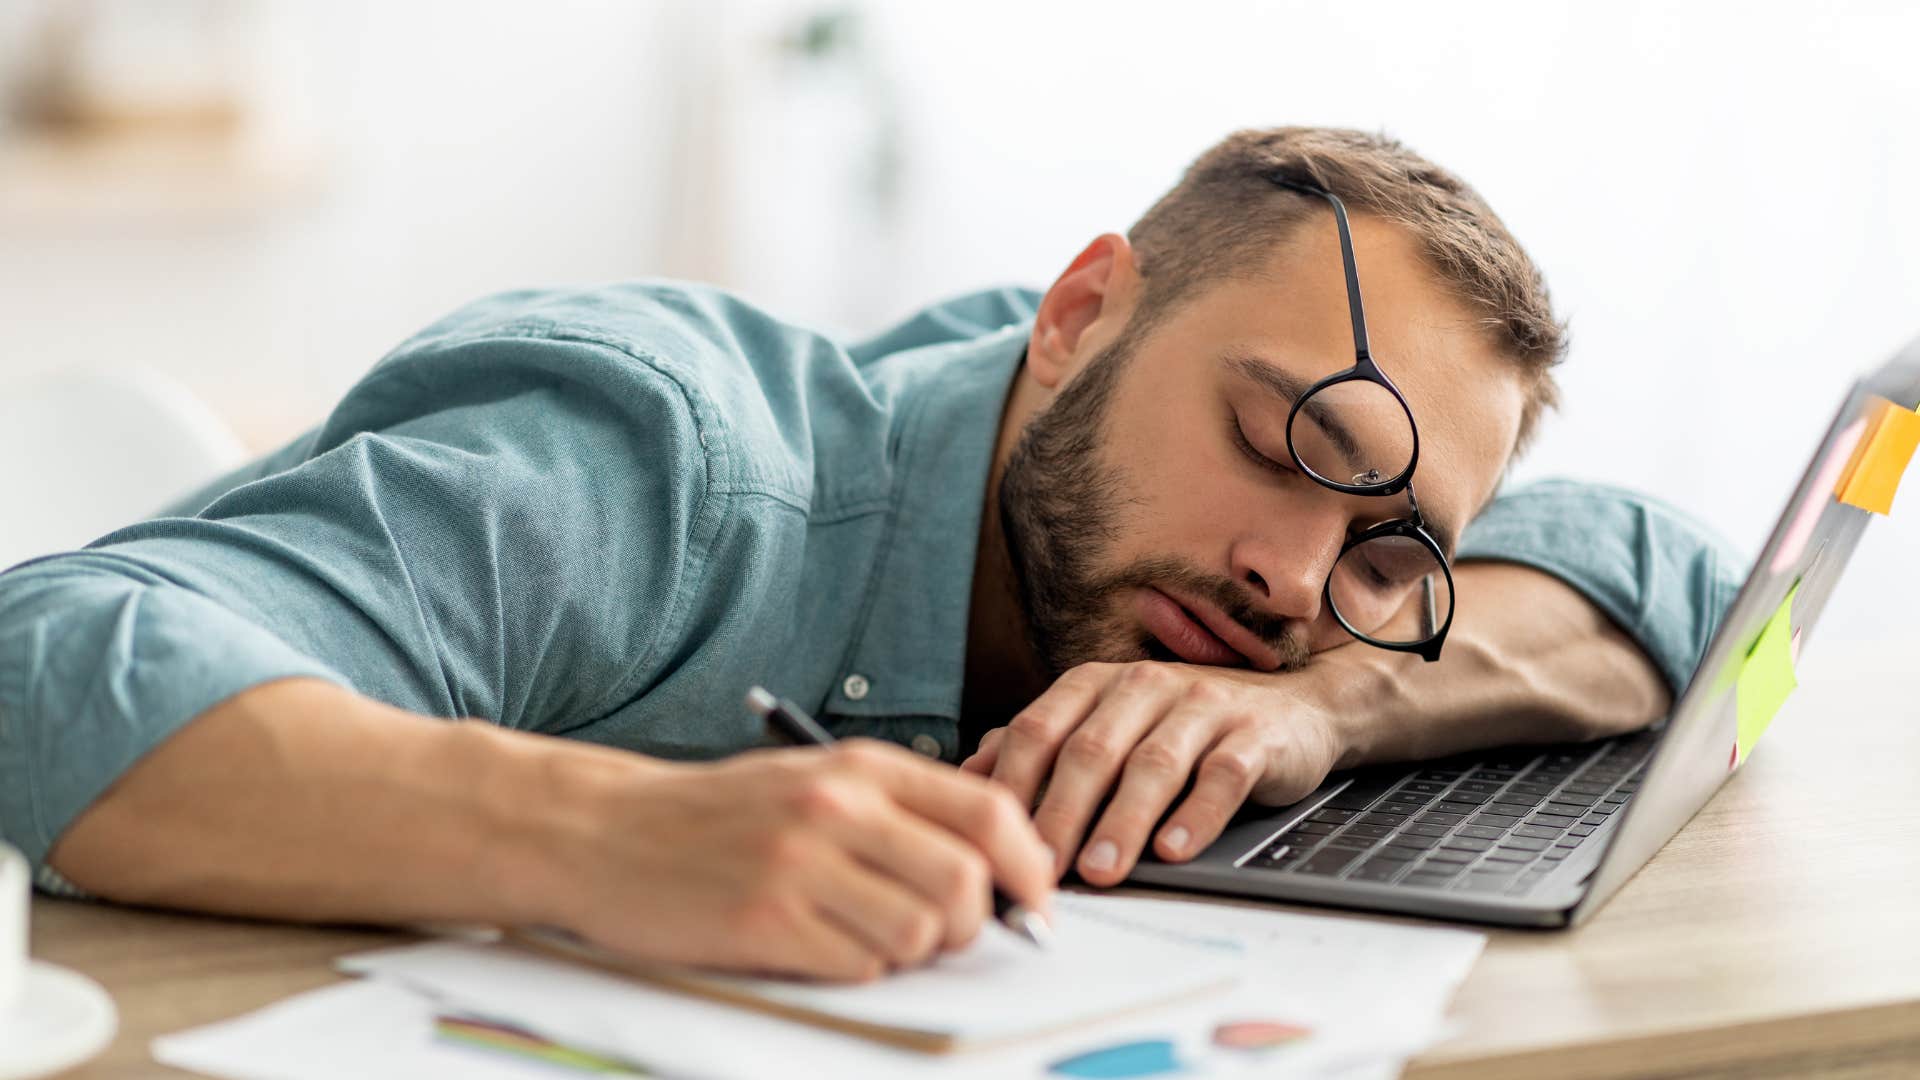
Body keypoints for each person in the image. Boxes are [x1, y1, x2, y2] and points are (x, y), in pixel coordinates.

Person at [0, 127, 1738, 981]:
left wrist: (1323, 708)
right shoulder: (664, 463)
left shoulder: (1295, 610)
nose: (1295, 579)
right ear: (1079, 316)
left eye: (1387, 547)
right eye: (1285, 439)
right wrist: (606, 837)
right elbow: (43, 658)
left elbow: (1683, 579)